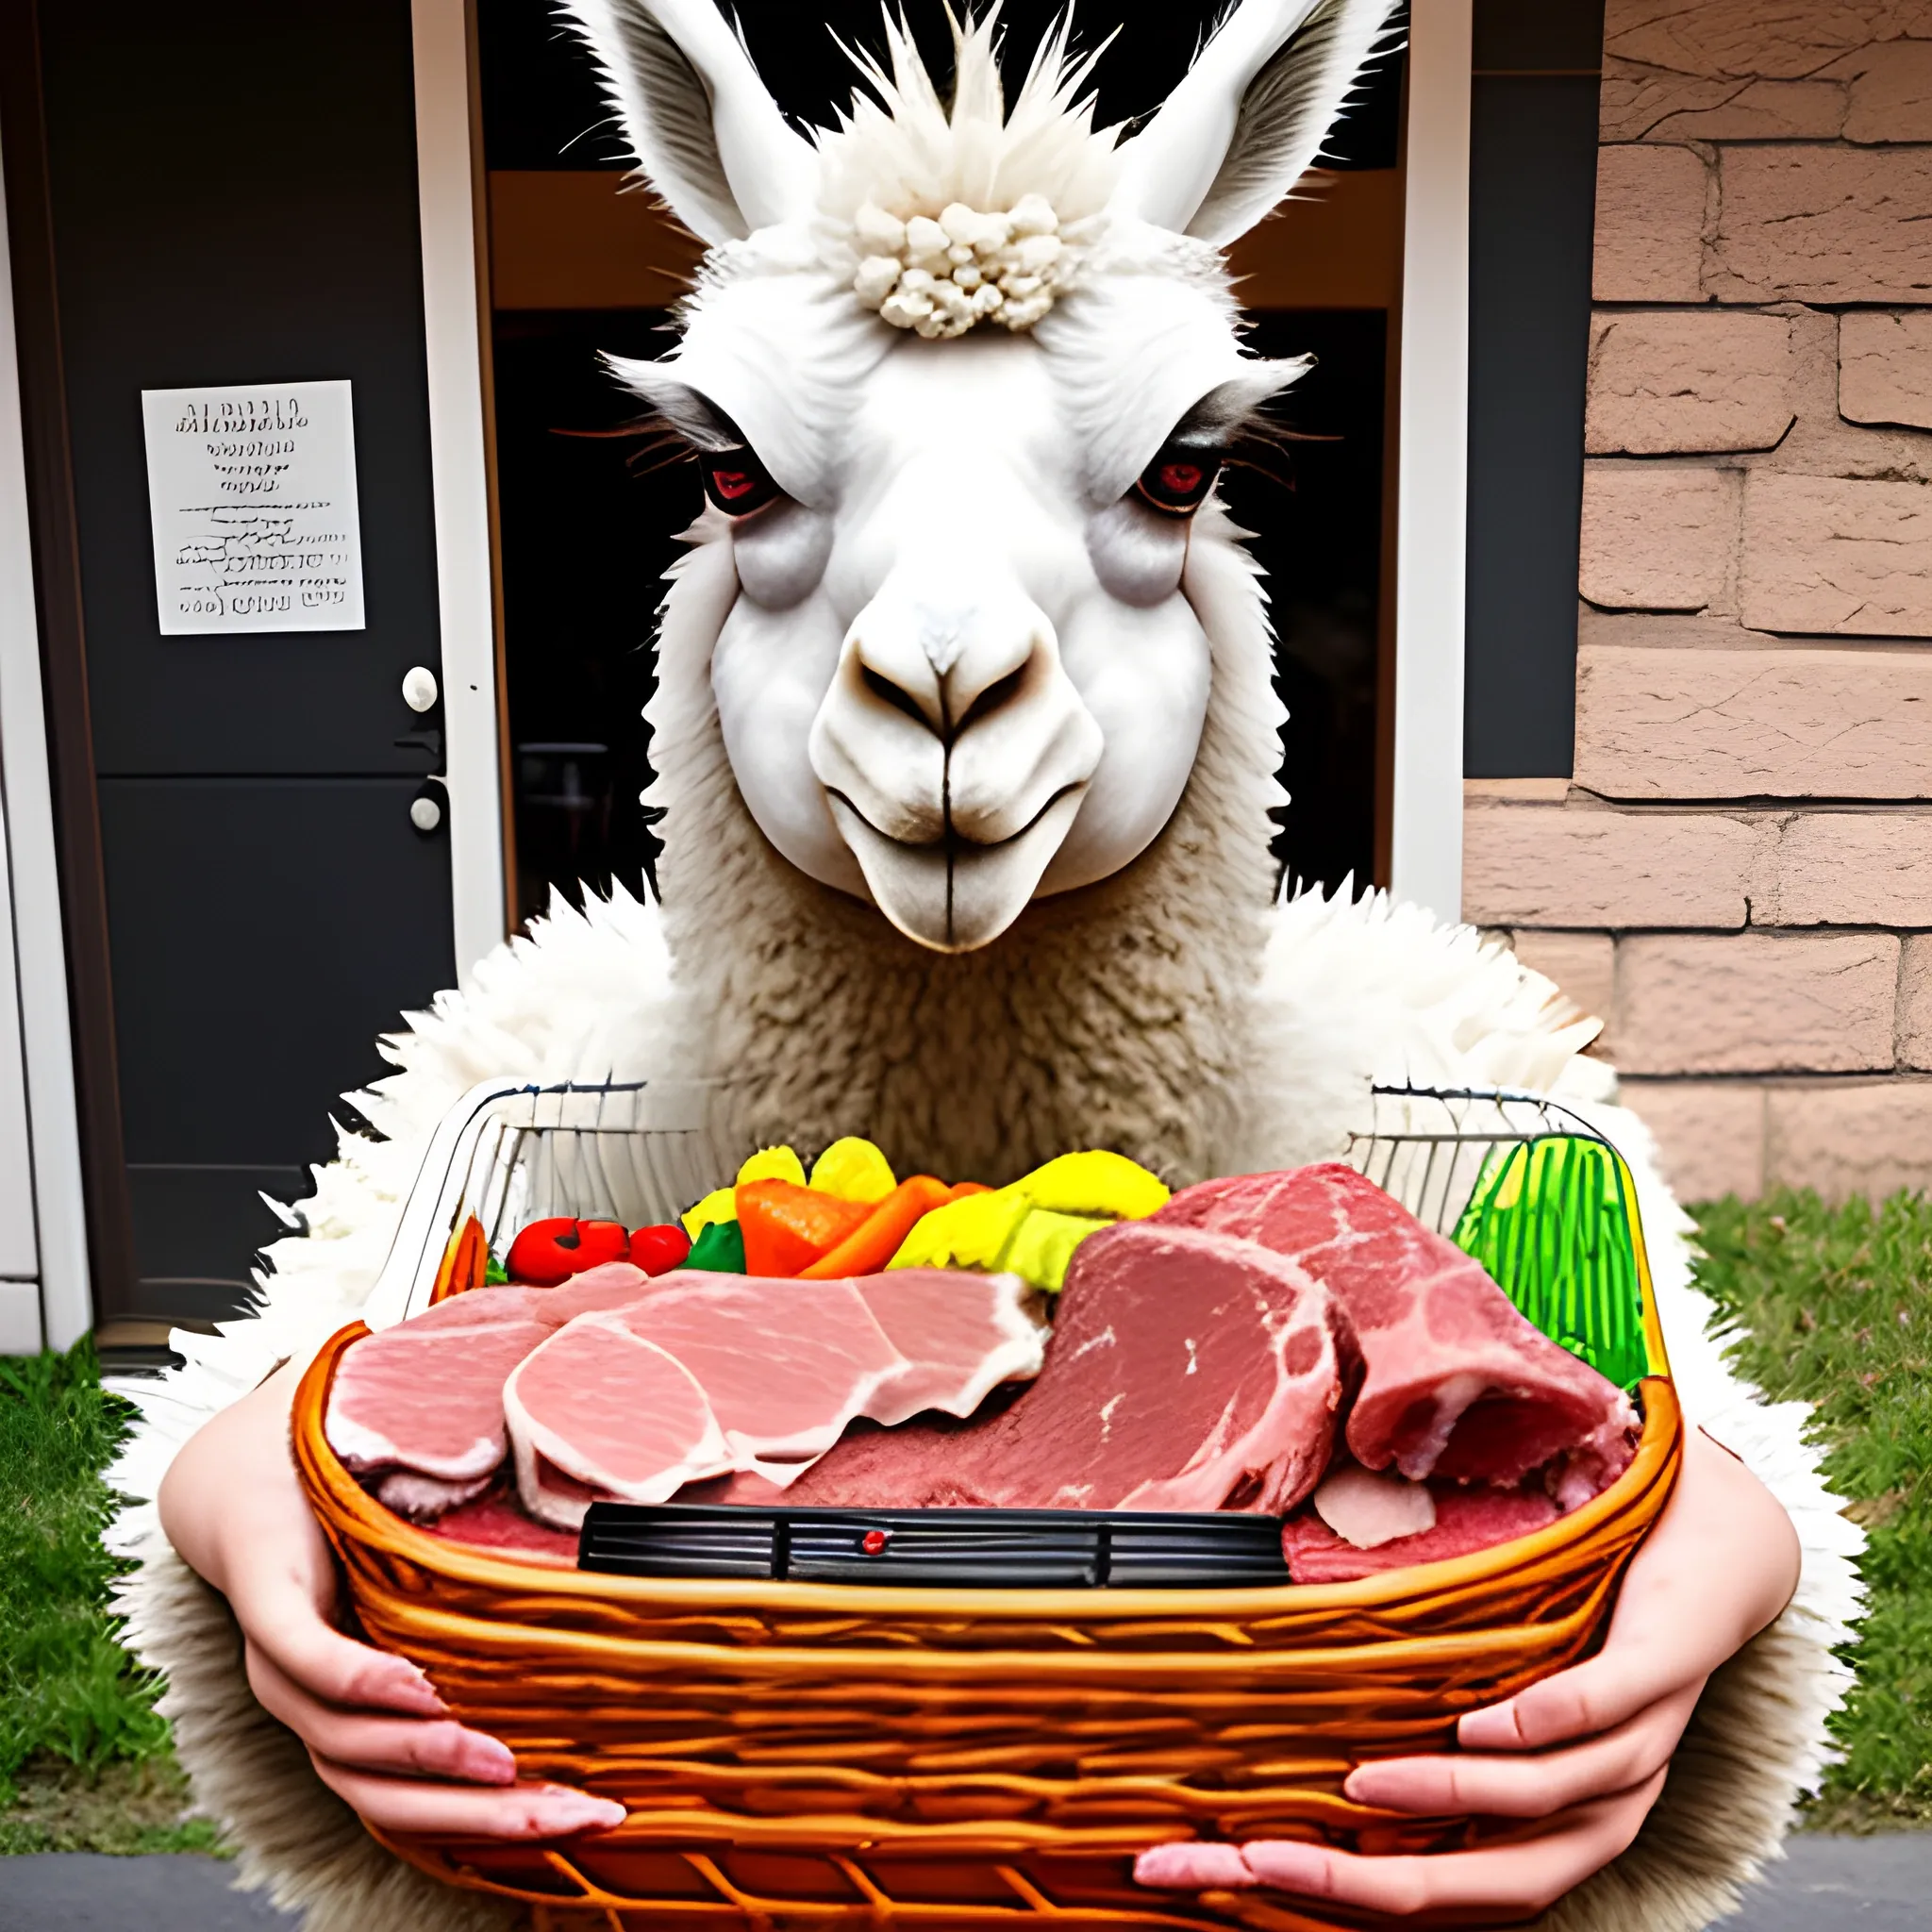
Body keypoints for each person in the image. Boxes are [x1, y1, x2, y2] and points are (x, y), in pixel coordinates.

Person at [159, 1359, 1798, 1921]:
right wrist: (236, 1475)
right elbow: (350, 1316)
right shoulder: (575, 1056)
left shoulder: (1399, 1041)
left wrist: (1733, 1528)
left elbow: (1647, 1391)